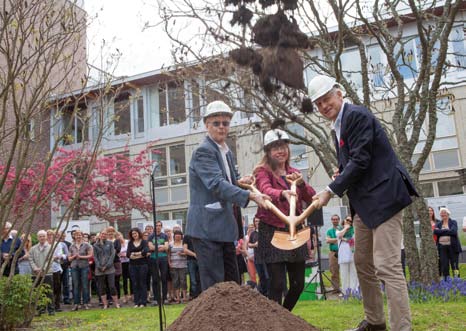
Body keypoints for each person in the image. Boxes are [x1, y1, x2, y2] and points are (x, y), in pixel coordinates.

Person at [308, 74, 418, 331]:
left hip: (385, 198)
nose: (324, 106)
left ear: (339, 94)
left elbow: (361, 161)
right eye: (319, 103)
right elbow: (355, 161)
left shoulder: (356, 115)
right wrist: (341, 171)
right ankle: (375, 322)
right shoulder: (339, 125)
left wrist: (330, 190)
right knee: (363, 263)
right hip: (365, 206)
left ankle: (402, 327)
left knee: (387, 265)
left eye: (327, 99)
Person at [185, 100, 270, 291]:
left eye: (225, 123)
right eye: (216, 123)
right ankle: (213, 322)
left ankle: (232, 321)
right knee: (215, 286)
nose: (222, 127)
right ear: (206, 124)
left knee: (232, 282)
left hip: (224, 227)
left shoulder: (226, 152)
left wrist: (242, 181)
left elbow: (229, 180)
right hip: (206, 228)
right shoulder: (203, 151)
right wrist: (250, 196)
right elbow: (216, 184)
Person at [253, 128, 316, 311]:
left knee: (297, 285)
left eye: (283, 146)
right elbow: (265, 190)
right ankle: (276, 324)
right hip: (272, 231)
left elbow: (310, 197)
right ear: (268, 151)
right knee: (278, 284)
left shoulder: (294, 172)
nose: (280, 151)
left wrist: (301, 183)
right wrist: (282, 193)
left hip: (294, 231)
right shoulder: (262, 172)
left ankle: (284, 318)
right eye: (275, 147)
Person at [93, 230, 120, 309]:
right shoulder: (95, 245)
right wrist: (99, 266)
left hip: (110, 268)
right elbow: (95, 257)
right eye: (102, 234)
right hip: (99, 269)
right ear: (100, 235)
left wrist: (107, 265)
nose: (103, 235)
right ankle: (105, 304)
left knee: (112, 286)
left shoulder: (110, 243)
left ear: (107, 235)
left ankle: (116, 303)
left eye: (105, 234)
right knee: (101, 287)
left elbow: (112, 255)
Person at [29, 230, 54, 316]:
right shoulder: (33, 248)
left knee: (49, 292)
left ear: (46, 237)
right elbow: (31, 259)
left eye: (43, 236)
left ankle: (51, 310)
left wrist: (42, 269)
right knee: (38, 292)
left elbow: (50, 259)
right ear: (37, 238)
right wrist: (35, 268)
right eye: (40, 236)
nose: (42, 238)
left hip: (47, 273)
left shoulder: (50, 247)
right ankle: (40, 310)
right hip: (35, 273)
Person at [433, 208, 462, 279]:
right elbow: (435, 232)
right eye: (441, 213)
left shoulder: (453, 222)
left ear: (448, 214)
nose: (443, 214)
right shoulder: (438, 224)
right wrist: (447, 230)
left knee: (455, 266)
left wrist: (441, 231)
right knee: (444, 266)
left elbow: (454, 232)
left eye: (444, 212)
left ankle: (457, 280)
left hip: (453, 247)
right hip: (442, 248)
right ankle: (446, 281)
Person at [68, 230, 93, 311]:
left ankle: (85, 303)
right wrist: (74, 256)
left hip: (84, 267)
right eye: (76, 235)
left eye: (80, 235)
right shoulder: (71, 246)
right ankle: (76, 304)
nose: (78, 236)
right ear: (74, 236)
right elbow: (69, 258)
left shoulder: (87, 245)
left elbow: (90, 255)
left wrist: (81, 257)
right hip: (74, 267)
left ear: (82, 236)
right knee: (76, 286)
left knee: (85, 285)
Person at [148, 221, 169, 305]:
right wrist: (160, 246)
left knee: (164, 278)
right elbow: (150, 247)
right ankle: (156, 299)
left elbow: (166, 247)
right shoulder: (150, 236)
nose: (158, 227)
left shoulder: (165, 236)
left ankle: (164, 298)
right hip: (153, 259)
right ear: (154, 227)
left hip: (163, 258)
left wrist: (156, 247)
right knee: (155, 279)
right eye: (156, 226)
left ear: (161, 227)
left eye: (160, 226)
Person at [127, 227, 149, 307]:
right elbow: (128, 254)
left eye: (135, 233)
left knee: (142, 283)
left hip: (142, 265)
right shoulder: (130, 243)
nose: (134, 235)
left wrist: (135, 254)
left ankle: (143, 302)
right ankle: (137, 302)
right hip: (132, 265)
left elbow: (145, 252)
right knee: (135, 283)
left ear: (139, 233)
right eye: (132, 234)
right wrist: (139, 254)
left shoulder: (144, 242)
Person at [336, 217, 358, 294]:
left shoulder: (354, 230)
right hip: (343, 256)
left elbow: (354, 240)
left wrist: (345, 239)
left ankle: (354, 292)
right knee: (344, 275)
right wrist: (345, 228)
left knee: (353, 274)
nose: (348, 222)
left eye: (350, 221)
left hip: (352, 255)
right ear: (344, 220)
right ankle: (345, 293)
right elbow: (339, 236)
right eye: (347, 220)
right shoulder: (339, 228)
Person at [248, 217, 269, 296]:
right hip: (257, 259)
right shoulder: (253, 234)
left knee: (268, 277)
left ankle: (268, 294)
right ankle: (263, 294)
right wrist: (255, 244)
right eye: (256, 221)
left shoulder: (265, 232)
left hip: (266, 258)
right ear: (254, 222)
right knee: (261, 277)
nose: (257, 222)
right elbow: (249, 244)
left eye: (259, 221)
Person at [168, 230, 188, 303]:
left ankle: (185, 297)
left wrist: (183, 254)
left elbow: (187, 252)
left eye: (179, 235)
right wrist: (169, 262)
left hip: (183, 265)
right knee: (175, 281)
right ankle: (178, 298)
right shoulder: (171, 244)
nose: (178, 237)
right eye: (176, 235)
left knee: (183, 281)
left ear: (181, 236)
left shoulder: (184, 243)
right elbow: (169, 254)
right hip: (174, 265)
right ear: (174, 236)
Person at [326, 214, 342, 291]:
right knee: (334, 271)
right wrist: (338, 238)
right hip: (333, 253)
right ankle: (336, 289)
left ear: (339, 220)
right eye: (333, 219)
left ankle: (347, 288)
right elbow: (328, 240)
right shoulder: (329, 231)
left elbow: (347, 238)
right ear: (331, 220)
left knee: (345, 270)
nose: (335, 220)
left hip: (343, 252)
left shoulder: (342, 229)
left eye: (336, 219)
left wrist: (333, 239)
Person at [183, 233, 201, 300]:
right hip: (191, 260)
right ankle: (194, 296)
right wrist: (194, 254)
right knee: (193, 279)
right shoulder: (187, 236)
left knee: (200, 278)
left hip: (201, 260)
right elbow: (185, 249)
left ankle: (200, 295)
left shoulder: (200, 234)